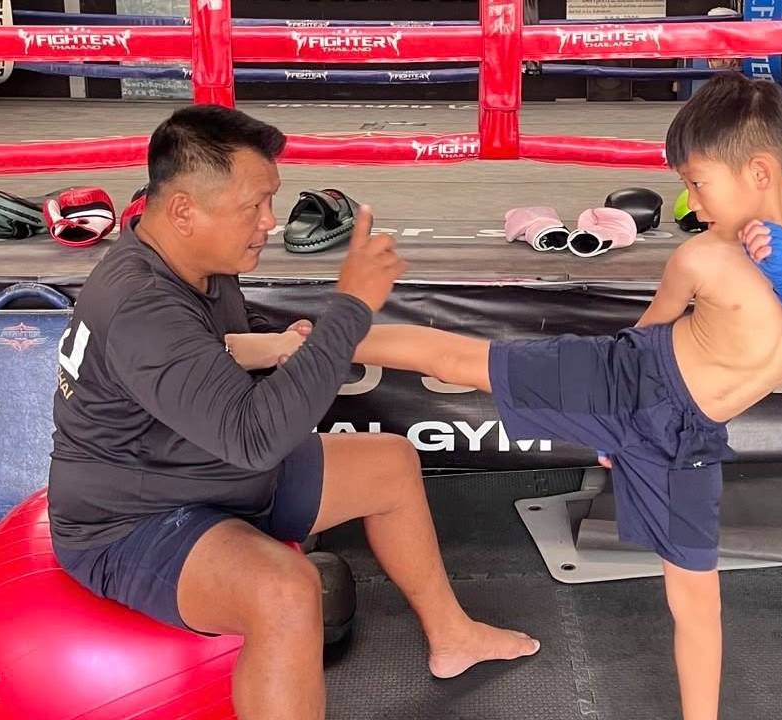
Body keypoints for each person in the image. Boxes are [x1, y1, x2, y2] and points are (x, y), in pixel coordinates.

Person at [349, 73, 782, 720]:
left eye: (699, 183)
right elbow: (647, 334)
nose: (693, 203)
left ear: (759, 171)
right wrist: (610, 423)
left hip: (686, 438)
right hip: (630, 378)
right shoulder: (699, 258)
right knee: (460, 360)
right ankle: (300, 341)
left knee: (696, 600)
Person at [47, 104, 539, 720]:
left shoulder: (192, 261)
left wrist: (284, 342)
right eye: (254, 205)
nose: (270, 221)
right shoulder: (141, 304)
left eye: (270, 201)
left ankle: (453, 636)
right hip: (132, 520)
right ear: (184, 211)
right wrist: (350, 308)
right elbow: (255, 439)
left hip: (199, 468)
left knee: (389, 464)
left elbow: (219, 344)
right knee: (287, 592)